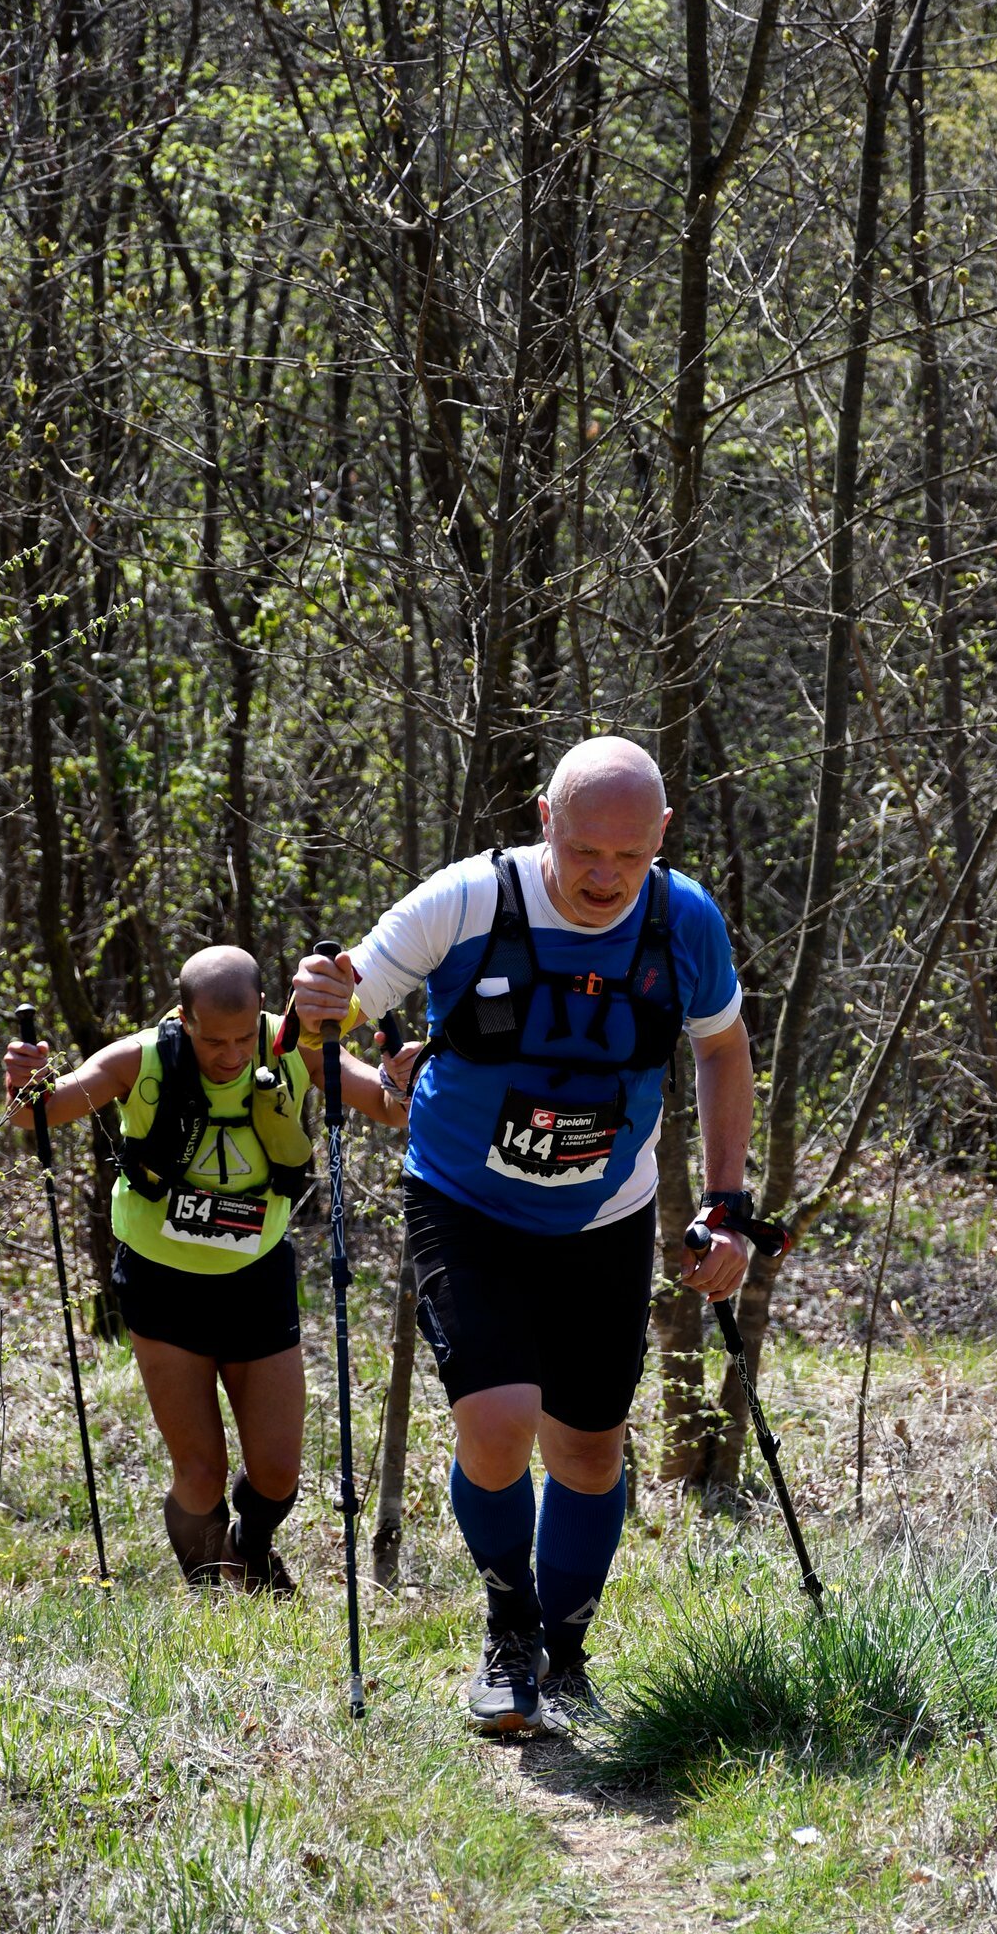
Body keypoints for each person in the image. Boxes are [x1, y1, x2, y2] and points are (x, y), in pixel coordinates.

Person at [292, 736, 754, 1735]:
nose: (603, 877)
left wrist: (724, 1204)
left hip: (607, 1211)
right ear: (547, 816)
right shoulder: (466, 901)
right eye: (585, 850)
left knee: (590, 1448)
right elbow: (344, 998)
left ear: (661, 838)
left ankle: (567, 1649)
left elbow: (721, 1050)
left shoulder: (684, 920)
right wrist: (323, 1000)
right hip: (466, 1197)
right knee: (498, 1422)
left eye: (628, 858)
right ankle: (509, 1629)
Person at [2, 945, 409, 1594]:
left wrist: (403, 1079)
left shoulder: (291, 1044)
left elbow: (387, 1106)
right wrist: (25, 1078)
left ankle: (250, 1548)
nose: (231, 1054)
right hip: (164, 1284)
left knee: (276, 1471)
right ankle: (213, 1593)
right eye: (214, 1039)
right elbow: (37, 1111)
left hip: (257, 1278)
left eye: (245, 1036)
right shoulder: (139, 1058)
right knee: (199, 1470)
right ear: (184, 1017)